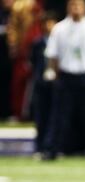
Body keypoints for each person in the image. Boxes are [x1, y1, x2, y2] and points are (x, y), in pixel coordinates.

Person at [42, 0, 85, 160]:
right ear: (68, 7)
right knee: (59, 116)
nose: (76, 8)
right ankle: (51, 150)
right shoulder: (59, 28)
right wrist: (56, 76)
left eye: (78, 5)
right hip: (66, 77)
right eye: (72, 5)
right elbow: (53, 55)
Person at [30, 11, 57, 153]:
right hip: (41, 84)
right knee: (41, 115)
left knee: (56, 116)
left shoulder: (60, 41)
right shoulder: (38, 43)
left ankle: (53, 146)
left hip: (56, 84)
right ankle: (40, 146)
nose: (49, 26)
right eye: (46, 23)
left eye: (51, 23)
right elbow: (34, 62)